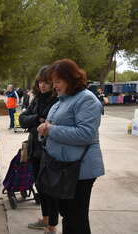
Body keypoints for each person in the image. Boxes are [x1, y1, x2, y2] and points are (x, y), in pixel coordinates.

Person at [37, 59, 105, 234]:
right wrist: (45, 129)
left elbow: (86, 134)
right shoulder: (63, 99)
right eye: (53, 81)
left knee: (76, 218)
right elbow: (53, 125)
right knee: (68, 214)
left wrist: (51, 129)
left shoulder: (86, 100)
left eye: (58, 81)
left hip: (80, 170)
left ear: (71, 79)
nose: (55, 85)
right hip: (64, 168)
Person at [19, 66, 59, 234]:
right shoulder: (36, 99)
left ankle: (52, 225)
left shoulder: (56, 101)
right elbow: (22, 120)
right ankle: (45, 219)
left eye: (47, 82)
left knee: (50, 189)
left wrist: (35, 122)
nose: (42, 85)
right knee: (40, 185)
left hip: (48, 150)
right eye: (40, 82)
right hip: (34, 149)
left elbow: (49, 126)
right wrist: (36, 118)